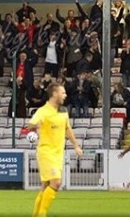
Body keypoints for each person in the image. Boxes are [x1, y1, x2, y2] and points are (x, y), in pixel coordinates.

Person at [28, 83, 83, 217]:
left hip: (58, 154)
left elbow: (67, 129)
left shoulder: (63, 110)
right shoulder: (43, 111)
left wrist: (76, 145)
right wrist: (35, 125)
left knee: (46, 185)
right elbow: (31, 124)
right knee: (56, 182)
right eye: (62, 92)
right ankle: (42, 214)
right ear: (54, 94)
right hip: (46, 152)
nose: (65, 95)